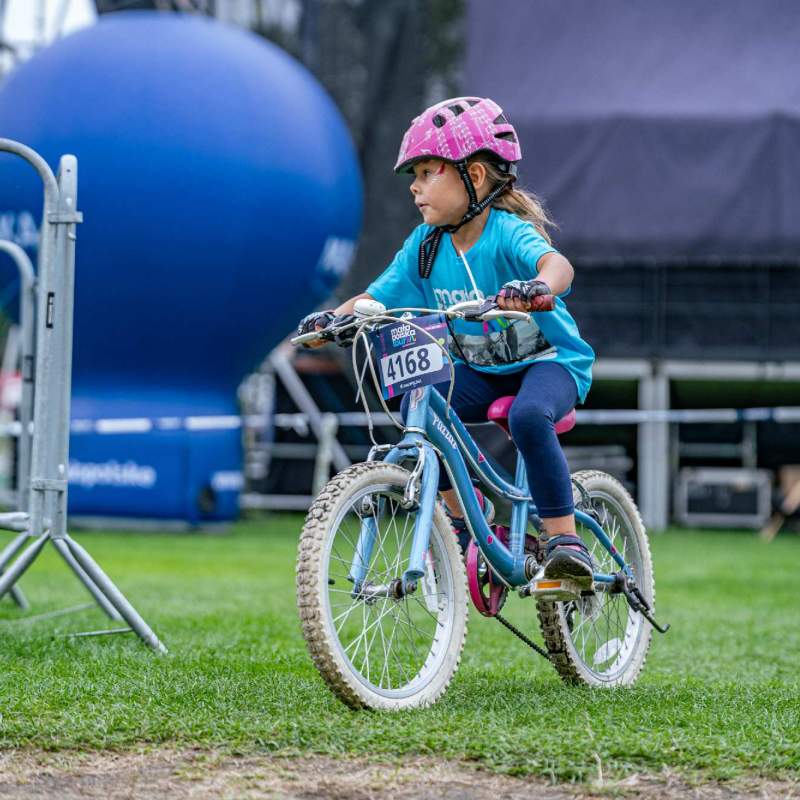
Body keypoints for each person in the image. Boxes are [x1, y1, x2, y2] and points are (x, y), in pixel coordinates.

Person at [297, 97, 595, 587]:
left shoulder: (506, 232)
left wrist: (538, 287)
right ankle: (466, 511)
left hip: (550, 362)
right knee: (419, 399)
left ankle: (566, 543)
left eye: (426, 172)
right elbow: (376, 297)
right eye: (413, 176)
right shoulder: (425, 245)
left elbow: (556, 265)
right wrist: (334, 320)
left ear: (474, 176)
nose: (414, 186)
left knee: (527, 416)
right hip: (484, 369)